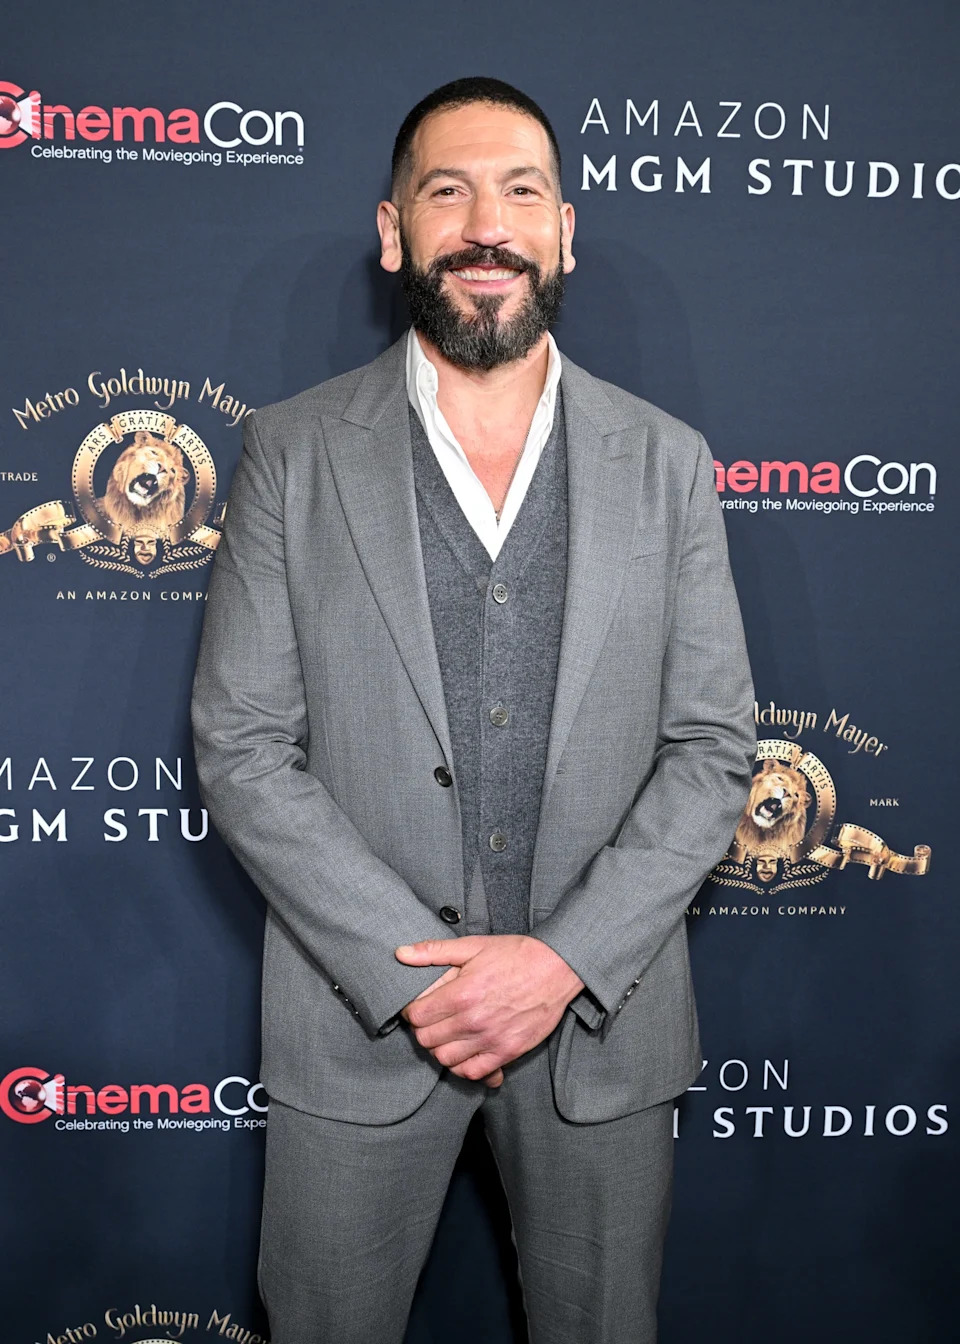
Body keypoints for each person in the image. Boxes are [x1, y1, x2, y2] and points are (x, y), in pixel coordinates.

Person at [191, 75, 756, 1344]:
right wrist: (424, 981)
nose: (484, 224)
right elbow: (241, 746)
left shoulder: (667, 461)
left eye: (519, 192)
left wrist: (559, 963)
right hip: (358, 1023)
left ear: (565, 230)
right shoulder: (290, 450)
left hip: (602, 1026)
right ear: (396, 232)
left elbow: (713, 746)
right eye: (447, 192)